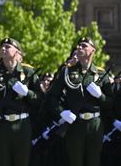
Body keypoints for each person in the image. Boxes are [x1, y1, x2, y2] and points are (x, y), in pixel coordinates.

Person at [45, 37, 113, 166]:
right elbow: (52, 97)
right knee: (75, 161)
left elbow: (110, 103)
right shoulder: (67, 72)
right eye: (78, 46)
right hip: (75, 124)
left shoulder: (101, 74)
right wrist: (62, 112)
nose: (79, 48)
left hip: (94, 124)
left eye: (83, 45)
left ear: (93, 50)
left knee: (93, 161)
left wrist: (100, 96)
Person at [0, 37, 40, 166]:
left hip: (22, 125)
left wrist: (27, 93)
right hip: (1, 125)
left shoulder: (28, 72)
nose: (3, 49)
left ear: (17, 52)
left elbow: (40, 99)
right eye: (2, 47)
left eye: (7, 47)